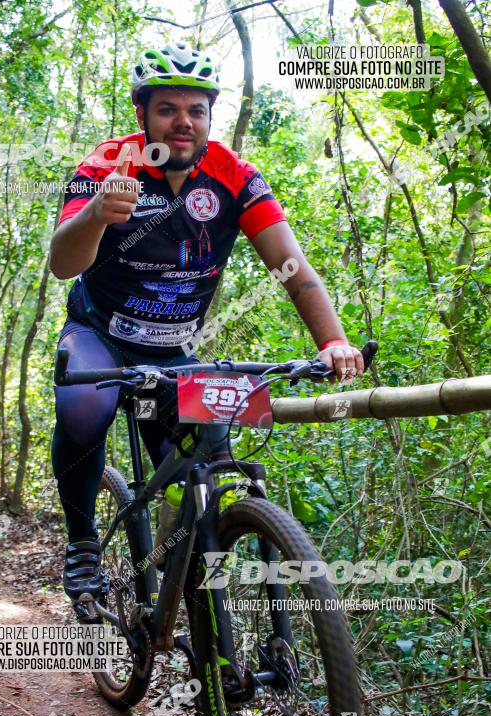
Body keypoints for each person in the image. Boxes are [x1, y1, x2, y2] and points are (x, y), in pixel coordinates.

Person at [49, 41, 365, 603]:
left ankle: (176, 581)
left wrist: (333, 340)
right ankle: (82, 546)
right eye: (168, 109)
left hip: (172, 351)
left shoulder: (233, 176)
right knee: (84, 408)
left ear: (210, 117)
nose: (183, 123)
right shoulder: (106, 165)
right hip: (100, 335)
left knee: (209, 452)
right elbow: (62, 264)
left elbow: (293, 268)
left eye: (196, 110)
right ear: (142, 112)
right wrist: (98, 212)